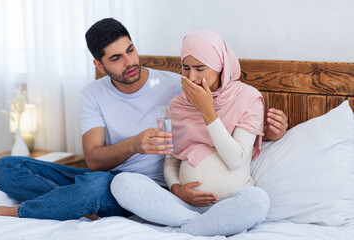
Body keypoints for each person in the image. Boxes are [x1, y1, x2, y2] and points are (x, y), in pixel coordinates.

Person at [0, 18, 287, 220]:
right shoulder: (92, 95)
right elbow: (93, 160)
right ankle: (78, 201)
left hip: (150, 188)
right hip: (105, 177)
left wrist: (269, 132)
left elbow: (228, 116)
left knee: (95, 187)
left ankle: (46, 207)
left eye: (130, 50)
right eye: (116, 58)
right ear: (99, 65)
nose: (130, 62)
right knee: (7, 167)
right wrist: (134, 144)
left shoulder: (179, 85)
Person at [111, 30, 273, 236]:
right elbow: (171, 159)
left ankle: (190, 229)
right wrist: (176, 188)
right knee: (122, 183)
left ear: (220, 65)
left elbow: (236, 159)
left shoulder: (248, 98)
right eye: (185, 68)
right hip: (182, 206)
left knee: (258, 201)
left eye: (200, 68)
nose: (191, 77)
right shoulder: (178, 105)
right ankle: (197, 224)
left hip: (232, 203)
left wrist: (207, 110)